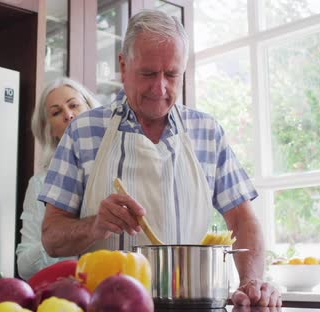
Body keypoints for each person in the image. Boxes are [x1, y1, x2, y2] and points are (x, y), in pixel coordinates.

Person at [38, 10, 282, 307]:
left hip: (193, 305)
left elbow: (243, 221)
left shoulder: (207, 132)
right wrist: (94, 226)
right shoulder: (83, 131)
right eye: (149, 74)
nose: (160, 88)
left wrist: (250, 282)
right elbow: (51, 238)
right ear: (123, 66)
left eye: (171, 74)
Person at [16, 77, 99, 280]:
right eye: (56, 112)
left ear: (91, 109)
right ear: (50, 130)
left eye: (74, 105)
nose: (68, 115)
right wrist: (54, 238)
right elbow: (24, 268)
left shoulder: (118, 167)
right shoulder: (40, 185)